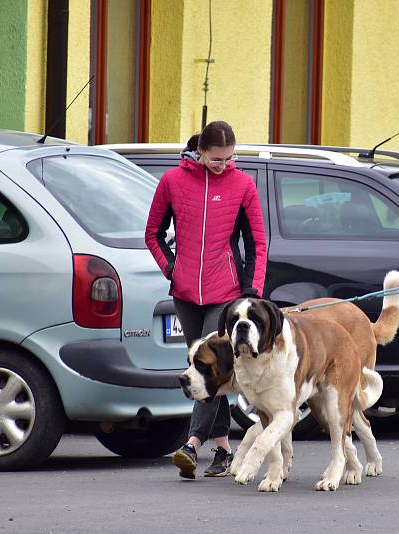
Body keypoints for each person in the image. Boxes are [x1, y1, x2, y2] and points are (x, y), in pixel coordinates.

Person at [145, 120, 267, 479]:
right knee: (208, 370)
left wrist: (252, 292)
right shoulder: (172, 182)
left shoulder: (242, 185)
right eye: (217, 159)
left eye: (230, 158)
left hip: (225, 295)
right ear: (200, 151)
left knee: (208, 368)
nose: (224, 165)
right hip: (184, 293)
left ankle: (191, 444)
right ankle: (225, 450)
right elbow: (152, 233)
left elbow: (257, 244)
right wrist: (172, 269)